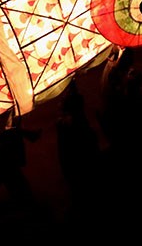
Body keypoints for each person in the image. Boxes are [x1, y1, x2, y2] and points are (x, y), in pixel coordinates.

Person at [55, 79, 101, 219]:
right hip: (79, 154)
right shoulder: (79, 124)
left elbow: (66, 154)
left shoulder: (68, 127)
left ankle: (81, 207)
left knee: (79, 181)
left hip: (75, 158)